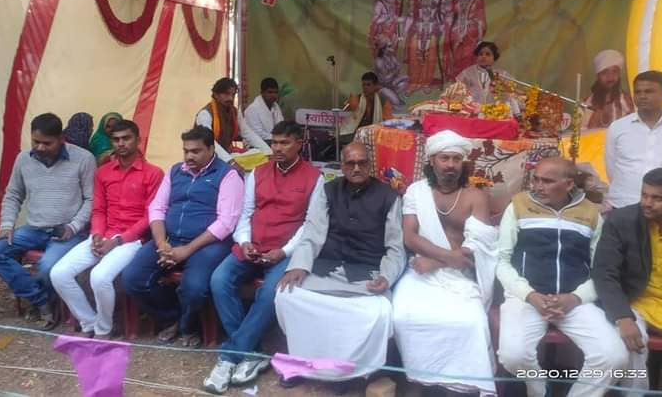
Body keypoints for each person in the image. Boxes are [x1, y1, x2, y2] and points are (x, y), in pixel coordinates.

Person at [203, 121, 323, 393]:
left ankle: (229, 357)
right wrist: (244, 242)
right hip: (252, 245)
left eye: (284, 143)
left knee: (271, 292)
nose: (277, 148)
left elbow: (311, 223)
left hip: (285, 250)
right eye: (274, 142)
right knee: (219, 280)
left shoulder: (314, 178)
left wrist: (284, 251)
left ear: (299, 144)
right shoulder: (257, 173)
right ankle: (253, 353)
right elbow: (245, 213)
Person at [275, 142, 405, 388]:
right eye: (350, 163)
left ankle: (356, 371)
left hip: (366, 273)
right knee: (287, 295)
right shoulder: (328, 190)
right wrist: (299, 265)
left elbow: (395, 247)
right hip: (327, 270)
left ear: (370, 165)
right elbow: (312, 233)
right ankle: (301, 362)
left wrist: (386, 277)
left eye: (362, 163)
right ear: (342, 166)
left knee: (378, 311)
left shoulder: (389, 196)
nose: (356, 168)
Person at [496, 157, 627, 397]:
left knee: (614, 357)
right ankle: (539, 390)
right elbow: (502, 261)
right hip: (526, 298)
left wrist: (575, 298)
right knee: (513, 355)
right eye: (536, 179)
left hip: (574, 300)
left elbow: (601, 269)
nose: (538, 186)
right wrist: (530, 295)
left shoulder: (591, 213)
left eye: (547, 181)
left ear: (568, 184)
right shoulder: (518, 206)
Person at [392, 130, 498, 394]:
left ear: (463, 162)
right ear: (432, 161)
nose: (450, 164)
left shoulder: (476, 196)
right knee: (404, 315)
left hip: (460, 275)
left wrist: (438, 262)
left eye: (456, 159)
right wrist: (447, 256)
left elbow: (480, 245)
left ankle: (463, 383)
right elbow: (410, 236)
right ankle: (422, 376)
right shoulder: (417, 191)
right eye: (444, 158)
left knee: (471, 322)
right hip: (421, 272)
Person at [121, 126, 244, 346]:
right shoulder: (176, 171)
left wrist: (186, 250)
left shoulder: (228, 175)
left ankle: (188, 326)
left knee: (194, 288)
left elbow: (226, 222)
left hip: (208, 244)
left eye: (196, 151)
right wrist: (161, 244)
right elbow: (157, 208)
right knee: (132, 278)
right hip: (169, 239)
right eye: (186, 151)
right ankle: (173, 318)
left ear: (211, 149)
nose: (189, 156)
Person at [50, 120, 163, 338]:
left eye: (126, 138)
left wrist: (118, 241)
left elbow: (150, 216)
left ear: (138, 140)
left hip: (134, 240)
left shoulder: (153, 173)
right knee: (59, 273)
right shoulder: (103, 172)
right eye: (116, 139)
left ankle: (104, 329)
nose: (121, 143)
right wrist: (97, 235)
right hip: (104, 234)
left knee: (99, 277)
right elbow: (99, 209)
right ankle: (89, 323)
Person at [0, 113, 95, 330]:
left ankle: (45, 303)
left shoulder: (83, 158)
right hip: (34, 229)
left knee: (47, 267)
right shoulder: (23, 159)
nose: (40, 147)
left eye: (47, 143)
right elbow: (13, 195)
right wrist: (6, 225)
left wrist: (73, 227)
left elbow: (91, 199)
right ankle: (42, 300)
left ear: (61, 138)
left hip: (67, 231)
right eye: (36, 141)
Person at [592, 167, 662, 393]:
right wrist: (622, 317)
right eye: (644, 195)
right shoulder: (621, 220)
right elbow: (604, 273)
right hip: (634, 301)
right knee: (634, 341)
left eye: (657, 198)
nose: (647, 203)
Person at [605, 70, 662, 210]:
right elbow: (612, 169)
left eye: (649, 91)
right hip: (622, 205)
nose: (642, 96)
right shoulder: (618, 127)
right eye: (638, 92)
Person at [195, 77, 271, 162]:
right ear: (216, 95)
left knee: (259, 157)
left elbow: (247, 133)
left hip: (226, 156)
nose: (231, 98)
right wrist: (230, 161)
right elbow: (209, 141)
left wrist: (268, 152)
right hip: (205, 159)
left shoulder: (234, 112)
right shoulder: (205, 114)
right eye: (226, 94)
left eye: (233, 94)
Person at [404, 0, 450, 91]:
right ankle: (414, 82)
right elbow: (410, 14)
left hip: (432, 29)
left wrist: (441, 23)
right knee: (414, 52)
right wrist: (405, 31)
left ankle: (426, 82)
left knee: (430, 55)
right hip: (417, 28)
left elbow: (443, 14)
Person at [445, 0, 487, 79]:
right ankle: (458, 80)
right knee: (457, 57)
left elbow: (480, 18)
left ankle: (469, 80)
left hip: (471, 32)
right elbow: (450, 13)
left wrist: (480, 39)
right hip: (456, 32)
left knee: (469, 56)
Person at [581, 49, 634, 129]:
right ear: (598, 76)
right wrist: (599, 108)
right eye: (605, 72)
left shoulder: (628, 102)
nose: (610, 77)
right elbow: (586, 133)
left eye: (615, 72)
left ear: (619, 74)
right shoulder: (586, 104)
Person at [455, 41, 513, 105]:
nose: (483, 57)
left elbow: (510, 95)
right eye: (480, 54)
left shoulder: (502, 75)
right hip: (471, 109)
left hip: (495, 109)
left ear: (494, 58)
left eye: (488, 54)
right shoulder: (467, 73)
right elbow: (457, 93)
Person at [340, 72, 393, 140]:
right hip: (356, 134)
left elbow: (388, 121)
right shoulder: (357, 99)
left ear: (376, 86)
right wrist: (349, 103)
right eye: (363, 85)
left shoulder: (384, 102)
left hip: (375, 135)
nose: (365, 87)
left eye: (368, 85)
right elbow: (347, 109)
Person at [243, 77, 284, 145]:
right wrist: (277, 138)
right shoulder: (252, 109)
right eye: (270, 92)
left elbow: (281, 126)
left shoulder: (276, 106)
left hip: (273, 141)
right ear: (262, 92)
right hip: (255, 144)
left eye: (276, 92)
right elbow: (258, 134)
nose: (273, 95)